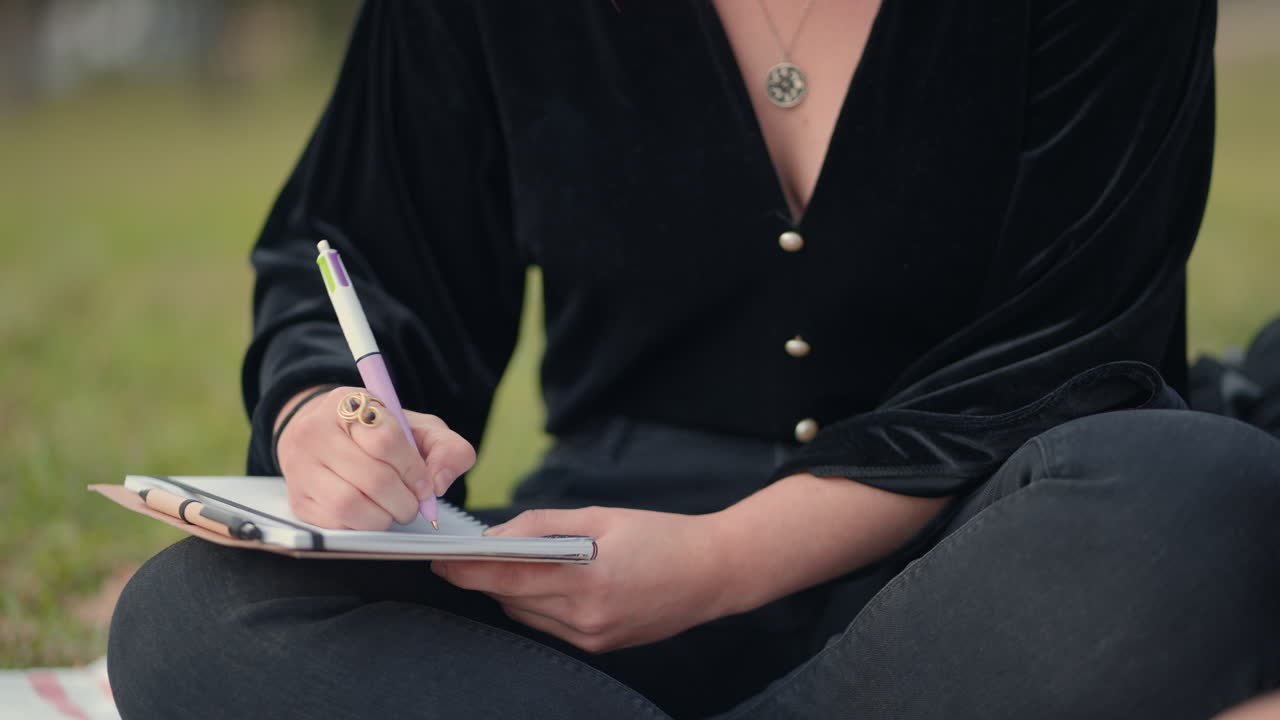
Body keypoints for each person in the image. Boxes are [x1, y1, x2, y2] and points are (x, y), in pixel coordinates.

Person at [108, 1, 1280, 717]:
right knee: (194, 618)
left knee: (1191, 495)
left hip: (979, 562)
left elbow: (1075, 338)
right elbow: (370, 253)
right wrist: (333, 417)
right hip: (592, 589)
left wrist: (724, 558)